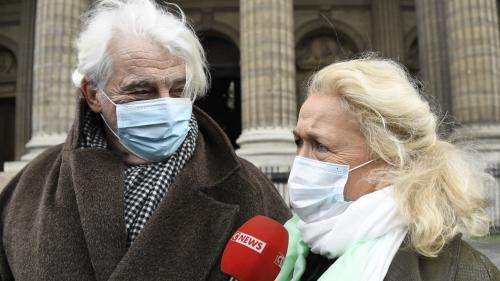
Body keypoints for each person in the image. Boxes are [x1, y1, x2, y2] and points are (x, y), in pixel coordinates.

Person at [0, 1, 290, 280]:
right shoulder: (30, 188)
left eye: (177, 90)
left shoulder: (248, 189)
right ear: (92, 93)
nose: (166, 106)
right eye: (142, 91)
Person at [275, 56, 500, 281]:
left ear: (390, 159)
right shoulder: (293, 247)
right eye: (299, 142)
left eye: (321, 146)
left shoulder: (468, 274)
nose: (300, 162)